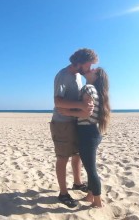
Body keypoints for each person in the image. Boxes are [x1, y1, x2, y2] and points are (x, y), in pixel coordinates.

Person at [50, 48, 99, 208]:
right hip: (62, 123)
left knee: (76, 155)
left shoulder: (78, 76)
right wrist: (82, 106)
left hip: (75, 122)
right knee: (63, 158)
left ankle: (77, 183)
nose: (90, 68)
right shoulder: (63, 75)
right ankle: (63, 193)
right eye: (89, 65)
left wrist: (84, 109)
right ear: (79, 63)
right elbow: (58, 102)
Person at [58, 67, 110, 208]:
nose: (90, 69)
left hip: (87, 133)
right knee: (89, 166)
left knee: (91, 169)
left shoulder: (88, 88)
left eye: (94, 70)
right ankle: (89, 196)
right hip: (94, 132)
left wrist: (65, 111)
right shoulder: (96, 90)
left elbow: (85, 112)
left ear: (96, 76)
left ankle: (97, 202)